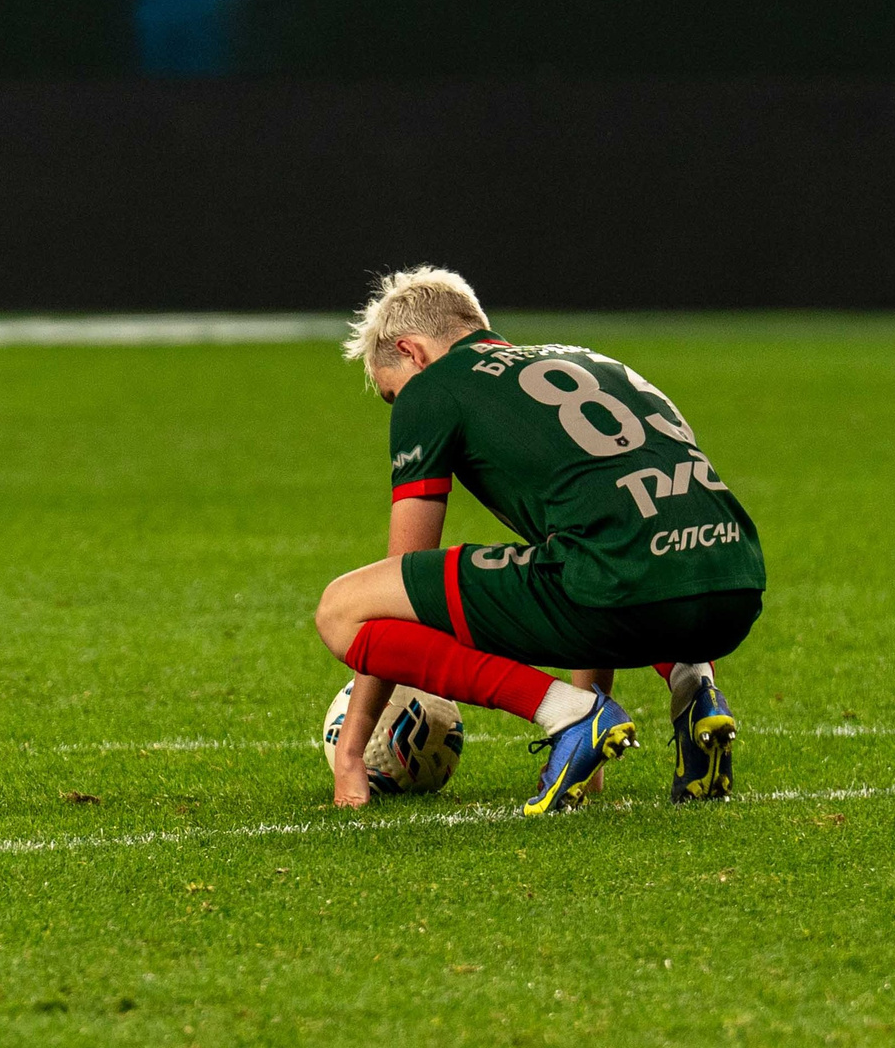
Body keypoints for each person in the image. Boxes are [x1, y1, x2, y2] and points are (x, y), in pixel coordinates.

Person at [314, 268, 766, 814]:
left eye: (393, 394)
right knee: (605, 558)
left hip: (623, 584)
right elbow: (606, 532)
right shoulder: (589, 360)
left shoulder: (433, 387)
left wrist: (352, 748)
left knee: (342, 609)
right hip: (733, 583)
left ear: (412, 352)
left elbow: (401, 577)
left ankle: (566, 714)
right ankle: (695, 689)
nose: (399, 405)